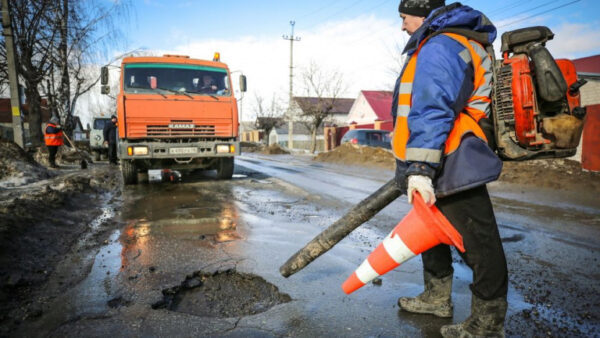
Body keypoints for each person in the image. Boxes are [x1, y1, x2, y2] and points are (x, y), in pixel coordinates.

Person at [391, 1, 508, 337]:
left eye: (404, 18)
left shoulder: (442, 44)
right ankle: (436, 297)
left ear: (423, 13)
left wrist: (421, 168)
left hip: (452, 155)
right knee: (432, 229)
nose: (402, 27)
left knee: (478, 240)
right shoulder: (446, 41)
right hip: (440, 155)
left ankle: (487, 322)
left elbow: (432, 108)